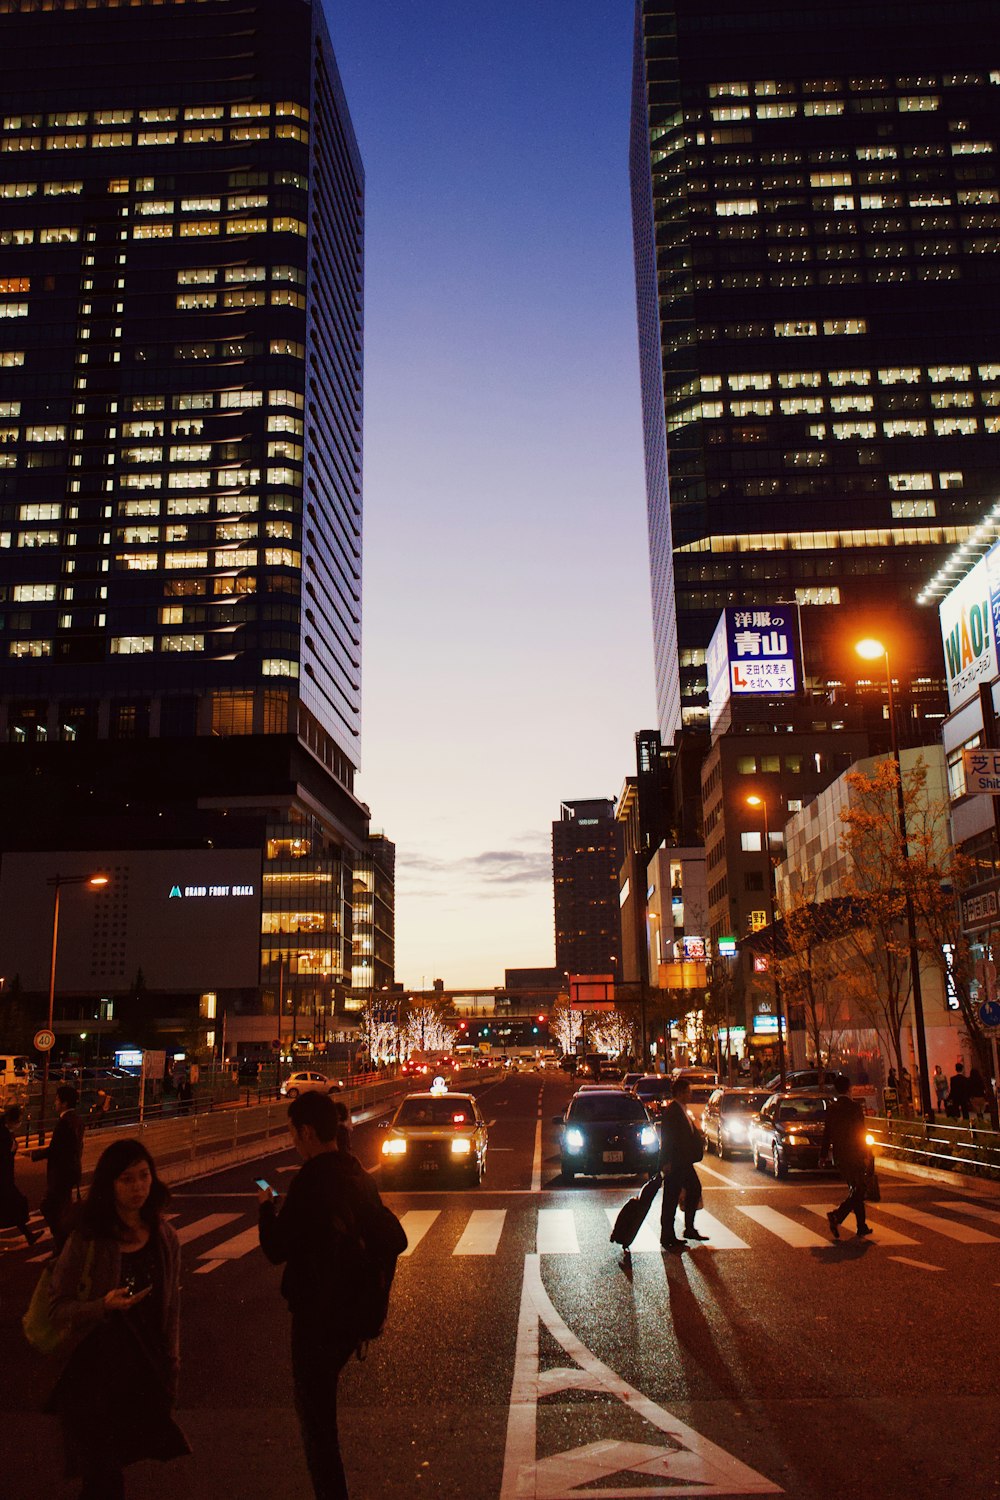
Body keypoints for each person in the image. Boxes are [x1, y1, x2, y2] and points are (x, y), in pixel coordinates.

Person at [44, 1139, 188, 1499]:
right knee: (106, 1479)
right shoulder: (88, 1239)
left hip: (136, 1376)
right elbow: (55, 1307)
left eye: (144, 1176)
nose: (139, 1187)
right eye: (127, 1179)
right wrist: (101, 1306)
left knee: (103, 1480)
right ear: (109, 1184)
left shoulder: (164, 1238)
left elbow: (170, 1311)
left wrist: (171, 1366)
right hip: (87, 1378)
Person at [258, 1090, 383, 1499]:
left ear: (308, 1131)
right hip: (353, 1314)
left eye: (293, 1133)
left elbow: (277, 1248)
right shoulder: (356, 1172)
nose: (293, 1141)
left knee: (316, 1423)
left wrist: (266, 1208)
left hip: (316, 1315)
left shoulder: (310, 1180)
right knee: (320, 1415)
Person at [658, 1076, 707, 1251]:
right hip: (676, 1162)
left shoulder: (683, 1110)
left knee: (694, 1189)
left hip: (684, 1161)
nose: (690, 1095)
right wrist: (666, 1161)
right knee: (671, 1198)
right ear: (679, 1093)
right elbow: (668, 1139)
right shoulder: (673, 1112)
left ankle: (689, 1228)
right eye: (687, 1092)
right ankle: (667, 1235)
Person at [35, 1084, 85, 1253]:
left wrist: (35, 1155)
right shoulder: (77, 1120)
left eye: (57, 1099)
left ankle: (63, 1243)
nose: (55, 1103)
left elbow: (56, 1149)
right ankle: (64, 1243)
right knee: (62, 1209)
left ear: (64, 1103)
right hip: (72, 1171)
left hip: (61, 1174)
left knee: (49, 1207)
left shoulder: (64, 1123)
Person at [821, 1078, 871, 1240]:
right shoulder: (855, 1108)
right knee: (859, 1188)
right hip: (855, 1152)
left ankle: (861, 1226)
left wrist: (823, 1155)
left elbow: (827, 1134)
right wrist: (867, 1152)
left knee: (856, 1188)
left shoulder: (832, 1109)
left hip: (840, 1155)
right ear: (849, 1088)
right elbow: (861, 1132)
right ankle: (837, 1215)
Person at [0, 1103, 38, 1247]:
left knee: (12, 1205)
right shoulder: (3, 1132)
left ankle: (29, 1235)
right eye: (18, 1121)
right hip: (3, 1177)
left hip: (6, 1176)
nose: (19, 1124)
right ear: (11, 1120)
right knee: (14, 1203)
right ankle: (29, 1235)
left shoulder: (6, 1130)